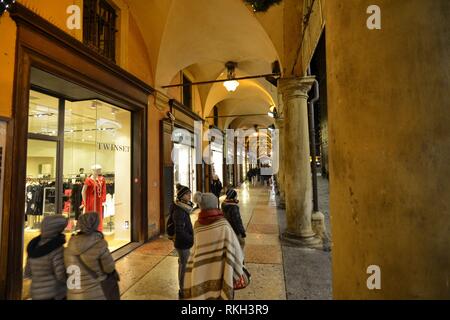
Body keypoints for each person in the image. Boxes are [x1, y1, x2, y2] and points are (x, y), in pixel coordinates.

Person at [183, 192, 244, 300]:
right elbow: (235, 250)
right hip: (221, 270)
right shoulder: (223, 224)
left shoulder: (197, 225)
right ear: (215, 205)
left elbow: (195, 249)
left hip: (201, 271)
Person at [64, 212, 118, 300]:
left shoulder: (69, 246)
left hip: (73, 295)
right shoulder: (100, 244)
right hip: (96, 293)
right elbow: (109, 268)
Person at [24, 215, 68, 300]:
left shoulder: (34, 247)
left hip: (36, 293)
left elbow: (28, 273)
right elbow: (61, 275)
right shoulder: (56, 249)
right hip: (54, 293)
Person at [169, 184, 194, 299]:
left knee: (183, 264)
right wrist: (191, 239)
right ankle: (183, 290)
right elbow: (180, 231)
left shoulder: (183, 207)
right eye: (188, 194)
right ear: (182, 196)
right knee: (184, 266)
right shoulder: (179, 211)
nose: (190, 195)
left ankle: (183, 288)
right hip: (182, 243)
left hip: (183, 242)